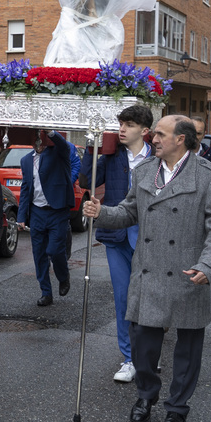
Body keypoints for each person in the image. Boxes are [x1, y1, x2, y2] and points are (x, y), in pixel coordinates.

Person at [83, 115, 211, 422]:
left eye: (161, 134)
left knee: (187, 350)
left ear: (181, 139)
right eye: (154, 134)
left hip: (188, 273)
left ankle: (177, 407)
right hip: (149, 270)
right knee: (144, 347)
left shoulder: (208, 175)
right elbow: (128, 212)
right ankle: (146, 395)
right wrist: (102, 212)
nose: (154, 139)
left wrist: (208, 266)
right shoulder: (144, 171)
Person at [79, 104, 153, 383]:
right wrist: (91, 147)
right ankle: (129, 358)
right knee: (123, 298)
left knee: (147, 299)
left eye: (130, 125)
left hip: (148, 237)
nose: (122, 129)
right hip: (116, 236)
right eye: (121, 123)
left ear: (144, 131)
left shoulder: (157, 158)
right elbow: (86, 180)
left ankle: (147, 354)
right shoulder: (111, 156)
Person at [17, 130, 79, 307]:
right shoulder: (26, 160)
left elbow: (61, 144)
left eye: (41, 139)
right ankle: (46, 292)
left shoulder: (59, 154)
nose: (39, 143)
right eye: (35, 140)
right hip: (37, 212)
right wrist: (22, 216)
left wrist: (49, 132)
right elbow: (25, 187)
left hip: (57, 211)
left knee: (54, 250)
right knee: (39, 255)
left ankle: (63, 276)